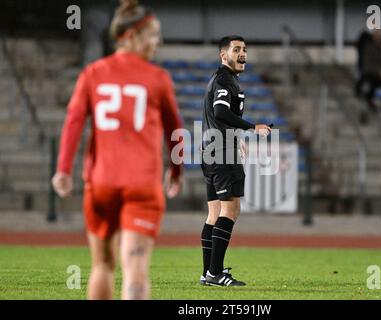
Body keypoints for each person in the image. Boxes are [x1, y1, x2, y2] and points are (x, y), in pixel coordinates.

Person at [51, 0, 183, 300]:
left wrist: (63, 169)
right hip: (143, 185)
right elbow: (175, 131)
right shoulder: (157, 78)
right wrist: (176, 172)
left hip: (101, 183)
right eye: (152, 34)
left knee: (102, 266)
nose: (157, 42)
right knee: (135, 268)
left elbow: (73, 122)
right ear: (130, 36)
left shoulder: (93, 73)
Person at [199, 35, 272, 287]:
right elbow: (220, 111)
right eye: (236, 49)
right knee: (231, 210)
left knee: (214, 213)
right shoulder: (224, 79)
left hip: (211, 149)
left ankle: (207, 272)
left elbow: (217, 115)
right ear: (223, 55)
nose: (243, 54)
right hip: (221, 152)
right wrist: (252, 127)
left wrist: (236, 135)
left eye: (245, 49)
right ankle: (215, 273)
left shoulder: (221, 78)